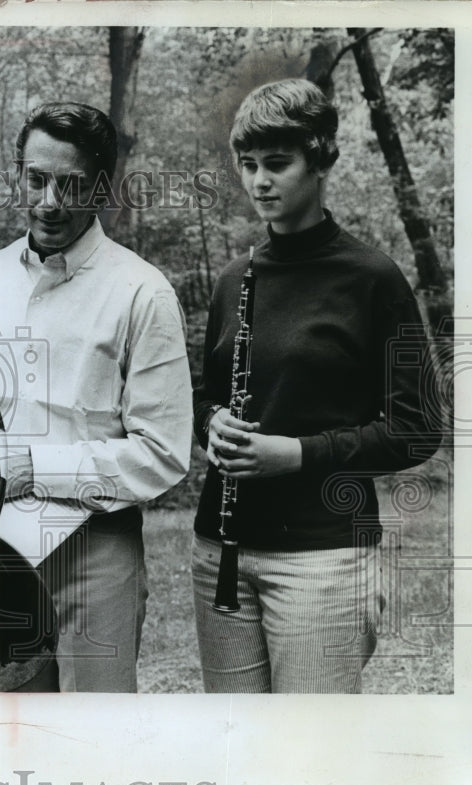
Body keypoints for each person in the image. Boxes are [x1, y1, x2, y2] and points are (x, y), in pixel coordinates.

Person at [191, 78, 441, 693]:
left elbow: (417, 431)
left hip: (324, 557)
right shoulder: (233, 280)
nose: (259, 183)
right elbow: (206, 395)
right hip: (220, 551)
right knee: (236, 753)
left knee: (312, 763)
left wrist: (297, 454)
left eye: (278, 164)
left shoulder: (373, 279)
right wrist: (211, 422)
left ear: (321, 158)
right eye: (248, 166)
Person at [0, 102, 193, 692]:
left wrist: (35, 467)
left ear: (103, 188)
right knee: (3, 733)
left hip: (97, 547)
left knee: (96, 743)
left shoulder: (143, 292)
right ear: (19, 175)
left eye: (72, 184)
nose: (50, 201)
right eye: (37, 179)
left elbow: (163, 453)